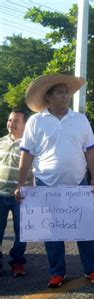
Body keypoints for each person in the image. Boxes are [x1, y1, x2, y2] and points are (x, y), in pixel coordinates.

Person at [15, 74, 94, 288]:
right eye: (60, 92)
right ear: (49, 96)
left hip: (78, 183)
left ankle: (92, 269)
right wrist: (20, 184)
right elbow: (26, 154)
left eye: (67, 92)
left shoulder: (80, 119)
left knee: (84, 229)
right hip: (46, 185)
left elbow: (90, 151)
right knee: (52, 232)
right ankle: (56, 272)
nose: (65, 95)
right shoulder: (36, 121)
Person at [0, 109, 32, 277]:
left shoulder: (29, 144)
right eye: (10, 120)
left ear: (24, 124)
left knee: (22, 232)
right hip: (0, 194)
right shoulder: (1, 141)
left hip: (22, 197)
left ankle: (17, 262)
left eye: (16, 121)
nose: (11, 124)